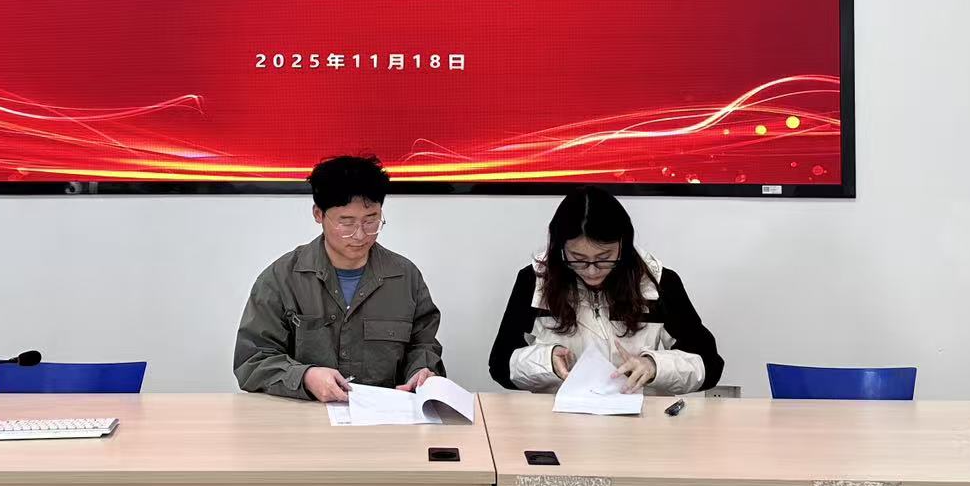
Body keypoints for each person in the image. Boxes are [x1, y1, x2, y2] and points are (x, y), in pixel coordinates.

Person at [234, 154, 445, 401]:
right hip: (305, 416)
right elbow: (253, 360)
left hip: (385, 416)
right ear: (318, 214)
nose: (360, 235)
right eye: (346, 223)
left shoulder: (405, 277)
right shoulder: (281, 279)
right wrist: (305, 377)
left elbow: (423, 345)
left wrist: (421, 372)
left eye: (371, 220)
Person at [489, 185, 722, 394]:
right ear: (560, 250)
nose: (591, 271)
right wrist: (546, 361)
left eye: (604, 258)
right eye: (578, 258)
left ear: (623, 245)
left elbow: (710, 366)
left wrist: (654, 366)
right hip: (559, 416)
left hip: (639, 416)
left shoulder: (658, 282)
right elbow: (500, 366)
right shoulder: (536, 280)